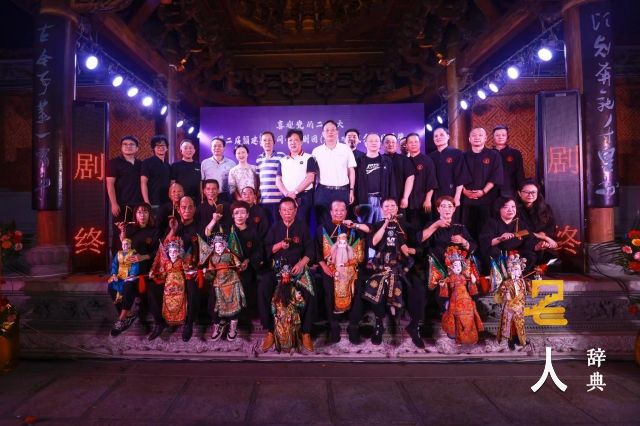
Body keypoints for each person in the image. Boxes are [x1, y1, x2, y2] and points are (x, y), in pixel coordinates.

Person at [259, 197, 315, 352]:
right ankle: (270, 331)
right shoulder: (275, 227)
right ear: (279, 212)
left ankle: (306, 332)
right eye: (284, 210)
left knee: (310, 291)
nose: (287, 213)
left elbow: (310, 250)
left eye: (291, 209)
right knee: (263, 287)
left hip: (297, 269)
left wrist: (301, 264)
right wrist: (279, 245)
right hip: (277, 270)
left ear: (296, 211)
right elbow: (267, 249)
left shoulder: (302, 227)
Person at [364, 198, 416, 345]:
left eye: (393, 205)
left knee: (400, 284)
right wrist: (386, 223)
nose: (390, 208)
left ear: (397, 208)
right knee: (376, 285)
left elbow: (413, 246)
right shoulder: (377, 225)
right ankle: (379, 323)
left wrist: (410, 250)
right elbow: (373, 243)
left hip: (400, 266)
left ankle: (396, 320)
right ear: (381, 209)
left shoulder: (405, 225)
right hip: (381, 265)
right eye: (386, 206)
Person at [316, 200, 369, 344]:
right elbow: (317, 252)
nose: (339, 213)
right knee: (328, 289)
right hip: (331, 269)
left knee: (357, 288)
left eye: (342, 210)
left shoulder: (353, 226)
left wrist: (352, 267)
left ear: (346, 212)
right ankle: (333, 325)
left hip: (351, 268)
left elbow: (361, 250)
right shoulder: (322, 228)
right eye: (336, 210)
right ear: (331, 212)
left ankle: (354, 325)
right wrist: (324, 267)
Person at [117, 203, 161, 340]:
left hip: (149, 268)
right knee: (115, 287)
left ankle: (159, 323)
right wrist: (122, 232)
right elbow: (125, 246)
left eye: (145, 212)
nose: (142, 215)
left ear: (150, 214)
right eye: (139, 212)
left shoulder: (155, 230)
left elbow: (158, 252)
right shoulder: (131, 229)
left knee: (150, 292)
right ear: (135, 215)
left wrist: (143, 257)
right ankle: (126, 317)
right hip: (132, 269)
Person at [163, 196, 203, 341]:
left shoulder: (200, 227)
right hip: (173, 270)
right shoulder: (173, 225)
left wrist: (197, 267)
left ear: (195, 209)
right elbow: (164, 249)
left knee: (192, 289)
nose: (187, 210)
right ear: (179, 210)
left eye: (190, 207)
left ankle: (189, 323)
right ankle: (169, 321)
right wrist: (173, 230)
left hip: (191, 268)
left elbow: (204, 250)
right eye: (184, 207)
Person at [432, 246, 484, 345]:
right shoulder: (449, 278)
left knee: (469, 318)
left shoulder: (465, 276)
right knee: (458, 319)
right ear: (451, 267)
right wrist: (443, 285)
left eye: (459, 265)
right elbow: (445, 290)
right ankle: (459, 338)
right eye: (455, 265)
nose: (458, 267)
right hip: (455, 300)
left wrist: (472, 282)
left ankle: (471, 338)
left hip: (467, 300)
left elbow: (471, 289)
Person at [202, 233, 246, 342]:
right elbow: (211, 275)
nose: (218, 248)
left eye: (220, 246)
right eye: (216, 246)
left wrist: (240, 266)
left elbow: (238, 265)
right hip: (218, 282)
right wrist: (206, 272)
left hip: (232, 280)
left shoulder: (230, 255)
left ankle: (233, 326)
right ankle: (217, 324)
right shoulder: (212, 258)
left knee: (234, 303)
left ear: (224, 245)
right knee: (212, 304)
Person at [461, 127, 503, 240]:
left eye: (480, 135)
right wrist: (464, 191)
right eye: (474, 135)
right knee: (467, 231)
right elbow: (458, 175)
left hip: (487, 200)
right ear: (469, 139)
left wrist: (483, 191)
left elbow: (495, 177)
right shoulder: (463, 156)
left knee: (486, 231)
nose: (477, 137)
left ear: (485, 138)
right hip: (467, 200)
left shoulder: (494, 155)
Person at [312, 120, 357, 225]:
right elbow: (313, 174)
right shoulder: (316, 151)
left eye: (333, 130)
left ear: (337, 132)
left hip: (342, 191)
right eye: (327, 130)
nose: (330, 132)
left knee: (342, 222)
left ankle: (342, 237)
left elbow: (351, 170)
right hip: (323, 191)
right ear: (323, 133)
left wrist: (351, 190)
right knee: (323, 222)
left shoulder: (346, 149)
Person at [479, 197, 537, 274]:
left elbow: (530, 239)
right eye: (505, 207)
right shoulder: (492, 223)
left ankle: (519, 276)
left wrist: (539, 245)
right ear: (498, 209)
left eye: (513, 207)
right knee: (493, 253)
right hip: (499, 253)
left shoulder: (520, 223)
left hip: (517, 254)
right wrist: (501, 238)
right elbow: (485, 242)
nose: (510, 210)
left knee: (530, 255)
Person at [106, 135, 143, 251]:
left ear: (137, 148)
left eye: (132, 144)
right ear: (121, 147)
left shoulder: (140, 164)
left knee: (136, 233)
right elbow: (110, 184)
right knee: (120, 234)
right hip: (121, 205)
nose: (128, 146)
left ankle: (133, 260)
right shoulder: (114, 163)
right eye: (125, 144)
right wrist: (114, 204)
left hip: (137, 205)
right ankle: (117, 261)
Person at [428, 127, 471, 221]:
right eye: (435, 136)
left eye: (441, 135)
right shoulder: (430, 157)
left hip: (451, 194)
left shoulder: (457, 153)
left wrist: (457, 197)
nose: (438, 137)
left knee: (451, 222)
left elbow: (461, 176)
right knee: (436, 221)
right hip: (435, 196)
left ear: (448, 136)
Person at [276, 129, 317, 224]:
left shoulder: (309, 158)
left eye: (296, 140)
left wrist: (295, 192)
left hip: (303, 198)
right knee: (287, 224)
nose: (292, 143)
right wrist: (287, 193)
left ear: (301, 142)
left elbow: (310, 178)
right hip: (286, 197)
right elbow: (278, 180)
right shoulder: (283, 160)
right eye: (290, 140)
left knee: (302, 224)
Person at [354, 133, 396, 224]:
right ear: (365, 143)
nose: (374, 143)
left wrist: (393, 200)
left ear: (380, 144)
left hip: (382, 198)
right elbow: (355, 182)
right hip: (365, 199)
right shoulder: (359, 161)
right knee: (365, 225)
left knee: (382, 224)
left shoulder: (386, 160)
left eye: (376, 141)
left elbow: (391, 181)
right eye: (371, 141)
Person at [150, 238, 191, 328]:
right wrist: (154, 275)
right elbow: (162, 275)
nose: (172, 253)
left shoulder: (181, 262)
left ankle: (180, 319)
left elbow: (187, 272)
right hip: (168, 284)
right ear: (168, 252)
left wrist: (189, 271)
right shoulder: (166, 263)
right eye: (171, 251)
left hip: (179, 284)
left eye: (175, 251)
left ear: (178, 252)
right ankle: (169, 320)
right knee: (168, 300)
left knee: (179, 299)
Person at [495, 253, 531, 350]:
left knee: (519, 324)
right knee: (509, 324)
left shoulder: (523, 282)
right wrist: (505, 293)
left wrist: (537, 277)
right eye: (514, 270)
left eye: (518, 270)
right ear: (510, 271)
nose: (516, 272)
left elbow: (529, 291)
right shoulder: (506, 283)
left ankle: (520, 339)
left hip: (519, 307)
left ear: (521, 271)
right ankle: (509, 340)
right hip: (510, 307)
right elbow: (501, 293)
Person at [516, 179, 558, 261]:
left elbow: (551, 226)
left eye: (533, 192)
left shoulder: (546, 208)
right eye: (526, 192)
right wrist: (542, 237)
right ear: (519, 193)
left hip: (543, 242)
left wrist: (544, 236)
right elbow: (517, 231)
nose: (530, 195)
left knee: (553, 258)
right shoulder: (513, 209)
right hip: (524, 243)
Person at [107, 238, 139, 336]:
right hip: (119, 275)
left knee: (128, 286)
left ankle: (121, 319)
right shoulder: (119, 253)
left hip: (129, 276)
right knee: (111, 286)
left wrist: (132, 274)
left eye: (127, 244)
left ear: (130, 245)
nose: (125, 246)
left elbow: (135, 265)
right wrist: (114, 274)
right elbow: (114, 265)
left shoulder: (133, 253)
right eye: (124, 244)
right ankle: (127, 315)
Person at [271, 264, 307, 353]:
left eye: (287, 276)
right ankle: (279, 346)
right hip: (280, 315)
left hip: (291, 315)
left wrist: (296, 300)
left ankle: (292, 346)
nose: (285, 278)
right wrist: (274, 313)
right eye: (284, 276)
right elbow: (273, 302)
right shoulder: (277, 289)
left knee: (290, 328)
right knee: (278, 328)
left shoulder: (293, 290)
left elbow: (302, 304)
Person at [406, 132, 438, 230]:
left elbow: (431, 181)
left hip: (422, 201)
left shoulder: (427, 160)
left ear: (420, 143)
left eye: (416, 141)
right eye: (410, 142)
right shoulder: (404, 160)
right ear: (406, 145)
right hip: (407, 202)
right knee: (408, 229)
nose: (413, 144)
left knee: (423, 228)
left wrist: (428, 199)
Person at [256, 131, 286, 223]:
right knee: (265, 226)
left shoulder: (281, 156)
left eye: (269, 140)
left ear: (274, 142)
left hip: (278, 200)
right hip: (264, 201)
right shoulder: (259, 159)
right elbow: (258, 180)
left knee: (277, 226)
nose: (267, 142)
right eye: (264, 140)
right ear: (261, 143)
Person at [383, 133, 415, 210]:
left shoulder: (404, 159)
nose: (390, 144)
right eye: (387, 142)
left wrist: (405, 197)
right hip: (382, 201)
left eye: (393, 142)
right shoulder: (379, 159)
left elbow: (410, 177)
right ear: (382, 145)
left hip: (400, 199)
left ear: (397, 145)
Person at [492, 125, 525, 198]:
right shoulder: (488, 153)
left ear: (507, 137)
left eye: (503, 135)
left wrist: (521, 189)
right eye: (497, 135)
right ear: (493, 137)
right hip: (491, 190)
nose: (500, 137)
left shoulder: (515, 153)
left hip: (510, 189)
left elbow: (520, 173)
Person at [140, 135, 171, 211]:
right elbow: (143, 183)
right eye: (157, 146)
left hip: (166, 202)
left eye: (163, 145)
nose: (161, 147)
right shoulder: (147, 162)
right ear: (153, 148)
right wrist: (146, 202)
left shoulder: (168, 165)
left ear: (167, 148)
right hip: (153, 202)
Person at [201, 137, 236, 201]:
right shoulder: (205, 163)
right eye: (214, 146)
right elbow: (202, 182)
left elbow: (234, 183)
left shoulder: (231, 163)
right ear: (211, 148)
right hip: (210, 196)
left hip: (226, 196)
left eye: (219, 146)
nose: (217, 148)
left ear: (224, 148)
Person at [170, 139, 201, 205]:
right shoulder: (175, 165)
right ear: (181, 151)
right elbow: (172, 184)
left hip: (196, 200)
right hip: (180, 200)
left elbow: (201, 184)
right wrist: (173, 200)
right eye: (185, 148)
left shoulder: (199, 166)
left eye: (190, 148)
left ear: (194, 150)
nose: (188, 150)